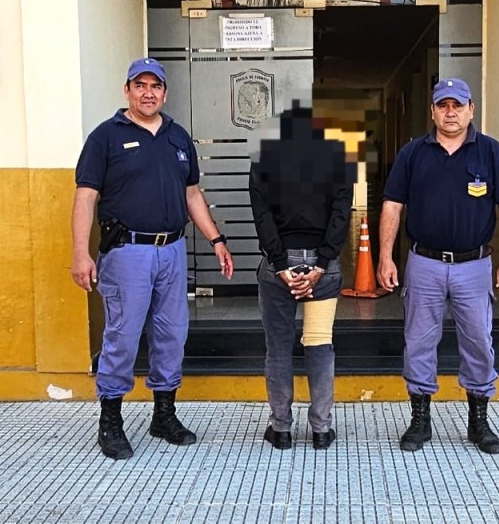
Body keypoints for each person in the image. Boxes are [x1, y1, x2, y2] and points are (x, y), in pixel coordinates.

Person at [71, 57, 234, 460]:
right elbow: (86, 197)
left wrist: (215, 239)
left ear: (165, 92)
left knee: (171, 334)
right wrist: (80, 253)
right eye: (140, 85)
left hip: (172, 251)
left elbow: (191, 193)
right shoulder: (105, 137)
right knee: (123, 336)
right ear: (127, 90)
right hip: (127, 252)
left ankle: (164, 415)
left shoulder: (178, 137)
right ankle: (111, 421)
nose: (148, 93)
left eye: (155, 86)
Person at [376, 77, 499, 454]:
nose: (451, 112)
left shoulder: (491, 152)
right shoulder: (413, 153)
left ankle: (479, 421)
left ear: (471, 109)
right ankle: (420, 420)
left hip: (474, 266)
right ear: (433, 111)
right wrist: (385, 256)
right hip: (423, 263)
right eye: (443, 105)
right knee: (418, 342)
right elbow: (392, 205)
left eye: (458, 105)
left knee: (479, 342)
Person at [249, 104, 354, 451]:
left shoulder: (264, 159)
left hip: (278, 269)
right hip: (323, 270)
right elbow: (341, 213)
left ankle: (281, 430)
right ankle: (321, 430)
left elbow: (261, 215)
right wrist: (321, 264)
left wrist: (281, 264)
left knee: (278, 348)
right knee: (320, 345)